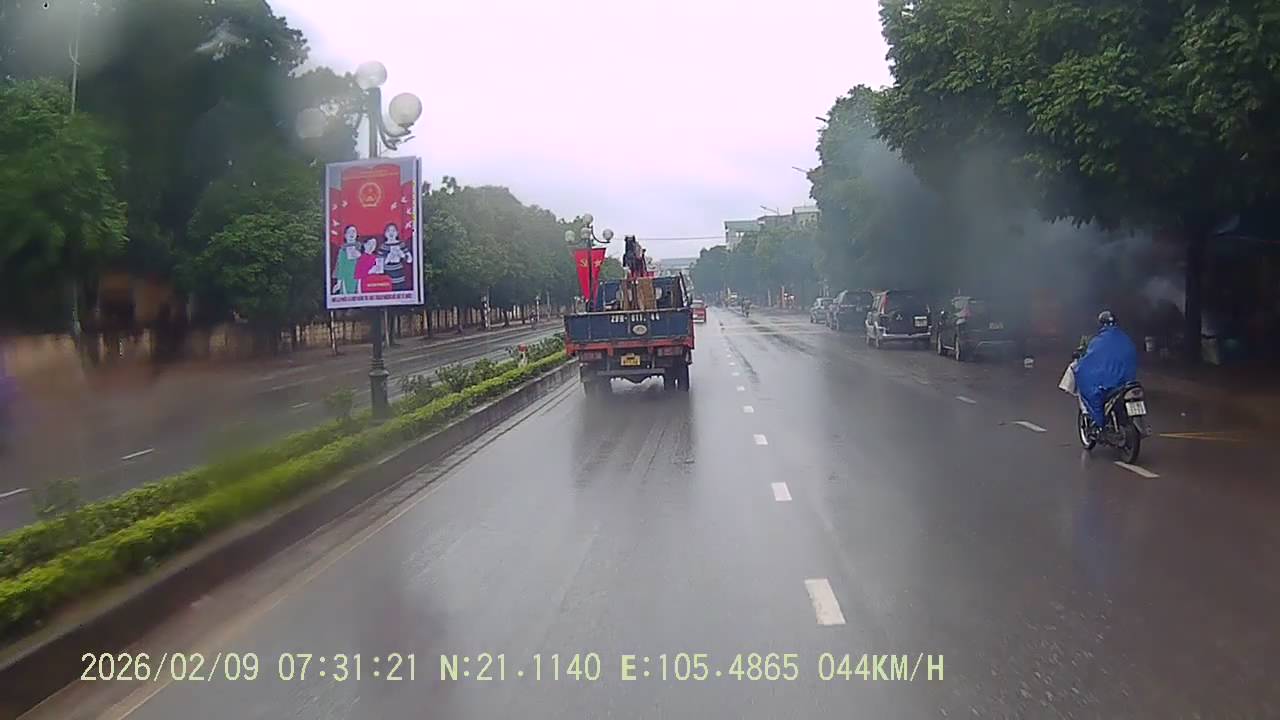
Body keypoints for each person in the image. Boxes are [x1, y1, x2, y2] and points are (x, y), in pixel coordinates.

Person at [1074, 310, 1138, 427]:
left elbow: (1089, 360)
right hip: (1127, 381)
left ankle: (1100, 421)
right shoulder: (1125, 338)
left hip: (1109, 383)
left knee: (1092, 391)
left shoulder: (1097, 341)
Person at [333, 226, 360, 295]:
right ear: (345, 235)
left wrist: (360, 256)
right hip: (347, 278)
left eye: (353, 231)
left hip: (359, 279)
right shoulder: (343, 250)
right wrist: (339, 283)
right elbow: (341, 267)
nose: (351, 234)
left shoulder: (361, 248)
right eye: (349, 232)